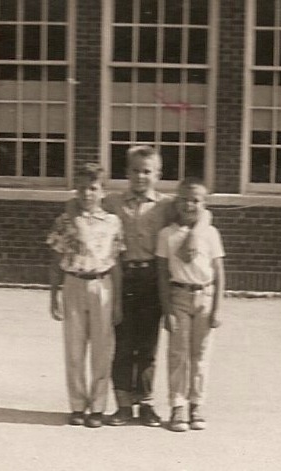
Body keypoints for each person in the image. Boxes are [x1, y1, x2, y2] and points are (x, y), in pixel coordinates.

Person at [104, 146, 212, 427]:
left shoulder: (166, 205)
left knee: (148, 345)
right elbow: (78, 205)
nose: (141, 176)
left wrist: (195, 237)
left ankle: (146, 403)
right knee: (124, 343)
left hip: (154, 279)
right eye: (136, 171)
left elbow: (202, 210)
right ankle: (124, 404)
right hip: (124, 277)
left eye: (147, 171)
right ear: (127, 172)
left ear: (158, 175)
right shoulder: (112, 203)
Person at [47, 163, 124, 428]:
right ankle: (78, 405)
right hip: (74, 283)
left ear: (103, 191)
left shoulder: (113, 222)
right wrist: (54, 294)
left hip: (102, 285)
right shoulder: (65, 221)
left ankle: (98, 407)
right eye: (81, 188)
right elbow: (56, 259)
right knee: (75, 347)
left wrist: (117, 302)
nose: (87, 194)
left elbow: (115, 264)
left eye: (93, 188)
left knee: (103, 349)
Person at [156, 178, 225, 432]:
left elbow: (218, 271)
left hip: (205, 297)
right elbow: (162, 274)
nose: (189, 204)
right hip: (179, 297)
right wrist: (167, 310)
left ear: (204, 205)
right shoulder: (167, 234)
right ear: (176, 202)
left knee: (201, 354)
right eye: (184, 199)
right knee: (178, 354)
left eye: (196, 200)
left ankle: (197, 404)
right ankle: (178, 406)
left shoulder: (210, 233)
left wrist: (218, 307)